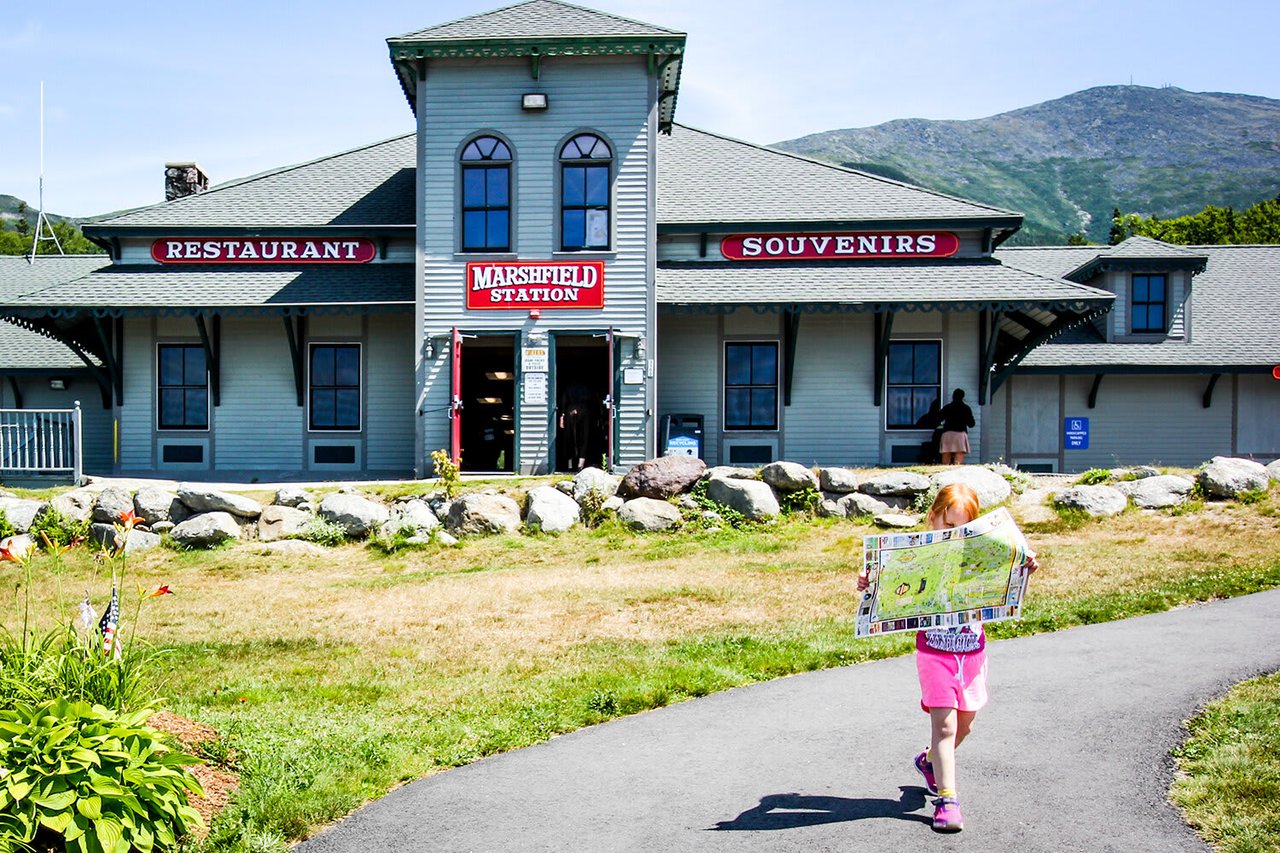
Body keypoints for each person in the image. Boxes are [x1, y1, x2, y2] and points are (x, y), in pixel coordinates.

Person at [857, 483, 1038, 833]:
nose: (954, 533)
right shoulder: (915, 554)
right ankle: (948, 799)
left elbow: (1013, 574)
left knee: (965, 724)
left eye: (963, 527)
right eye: (948, 524)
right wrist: (869, 582)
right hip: (934, 652)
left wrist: (1026, 564)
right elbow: (887, 588)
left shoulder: (981, 554)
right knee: (945, 725)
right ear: (933, 517)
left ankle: (928, 762)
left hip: (972, 652)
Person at [937, 389, 975, 465]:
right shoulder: (966, 408)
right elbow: (971, 424)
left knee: (946, 454)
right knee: (959, 455)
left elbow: (938, 418)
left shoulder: (947, 407)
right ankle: (956, 470)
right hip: (960, 434)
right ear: (963, 397)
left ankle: (945, 470)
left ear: (953, 396)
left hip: (947, 433)